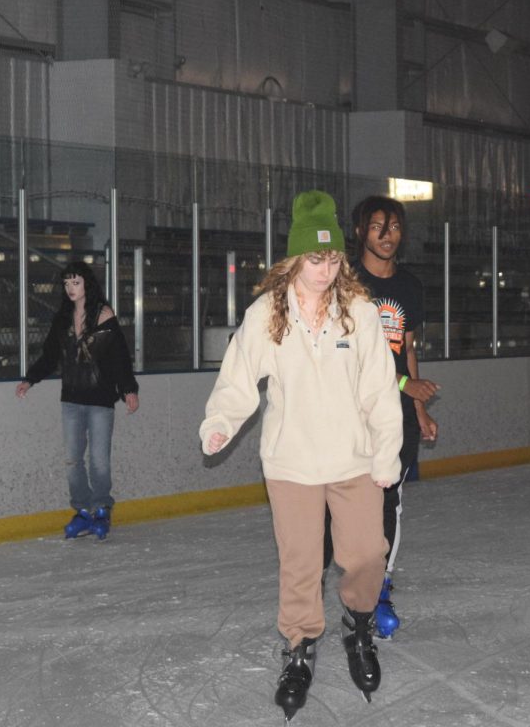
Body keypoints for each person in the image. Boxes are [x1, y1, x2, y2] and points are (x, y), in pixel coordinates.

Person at [199, 190, 403, 722]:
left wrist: (386, 455)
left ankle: (358, 628)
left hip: (353, 460)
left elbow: (381, 392)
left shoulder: (357, 311)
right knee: (300, 565)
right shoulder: (268, 313)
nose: (325, 268)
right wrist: (221, 423)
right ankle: (299, 647)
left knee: (365, 556)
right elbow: (239, 378)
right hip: (291, 464)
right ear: (293, 258)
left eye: (333, 257)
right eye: (315, 258)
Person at [323, 195, 440, 640]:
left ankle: (379, 591)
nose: (386, 235)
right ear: (360, 232)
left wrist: (419, 407)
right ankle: (347, 588)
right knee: (344, 506)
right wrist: (403, 386)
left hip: (396, 418)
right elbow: (346, 358)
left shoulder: (410, 287)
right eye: (377, 227)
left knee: (390, 502)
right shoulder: (344, 285)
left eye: (393, 227)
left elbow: (405, 349)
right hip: (350, 415)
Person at [16, 261, 140, 540]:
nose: (70, 289)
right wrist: (30, 379)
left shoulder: (103, 315)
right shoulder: (62, 319)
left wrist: (129, 389)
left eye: (76, 283)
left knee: (98, 460)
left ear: (87, 285)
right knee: (73, 460)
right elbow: (50, 355)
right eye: (66, 284)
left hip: (100, 399)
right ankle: (83, 510)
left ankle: (101, 509)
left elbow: (119, 357)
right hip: (71, 398)